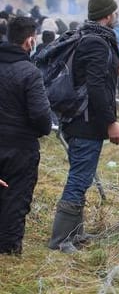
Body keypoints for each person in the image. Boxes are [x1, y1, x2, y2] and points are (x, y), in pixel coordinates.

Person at [48, 0, 119, 253]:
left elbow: (90, 75)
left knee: (83, 176)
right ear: (108, 14)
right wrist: (111, 122)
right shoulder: (97, 42)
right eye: (115, 12)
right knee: (79, 178)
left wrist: (115, 67)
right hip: (86, 122)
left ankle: (75, 234)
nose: (116, 16)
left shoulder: (89, 36)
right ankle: (61, 240)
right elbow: (96, 86)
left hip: (81, 120)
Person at [0, 16, 52, 255]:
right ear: (30, 41)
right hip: (20, 148)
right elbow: (41, 116)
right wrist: (43, 130)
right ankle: (9, 250)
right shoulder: (30, 73)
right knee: (15, 197)